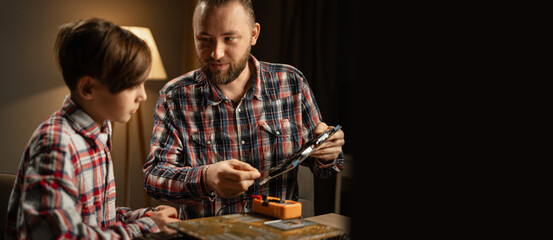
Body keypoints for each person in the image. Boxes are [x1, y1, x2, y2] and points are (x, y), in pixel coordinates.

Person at [142, 0, 345, 219]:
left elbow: (327, 169)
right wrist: (206, 178)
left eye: (229, 38)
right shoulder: (174, 96)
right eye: (205, 40)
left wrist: (328, 153)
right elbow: (154, 179)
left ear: (254, 34)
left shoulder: (292, 83)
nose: (216, 53)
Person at [4, 18, 180, 239]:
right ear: (88, 88)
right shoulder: (57, 144)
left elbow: (97, 220)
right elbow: (63, 235)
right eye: (132, 85)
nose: (143, 95)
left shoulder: (100, 131)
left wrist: (147, 216)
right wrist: (146, 227)